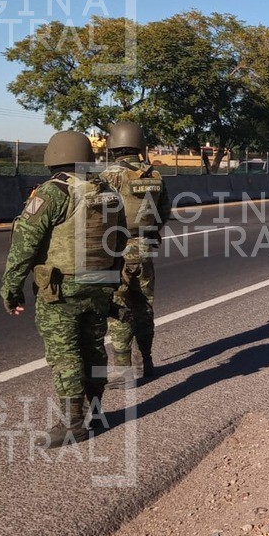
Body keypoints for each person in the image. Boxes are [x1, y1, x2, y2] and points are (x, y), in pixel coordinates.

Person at [0, 131, 124, 448]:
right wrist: (113, 282)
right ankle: (95, 414)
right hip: (100, 284)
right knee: (94, 349)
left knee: (66, 355)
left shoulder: (52, 193)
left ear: (54, 155)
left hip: (62, 289)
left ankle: (73, 425)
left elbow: (24, 245)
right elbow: (119, 242)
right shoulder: (107, 191)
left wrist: (11, 287)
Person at [100, 121, 171, 384]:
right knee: (144, 306)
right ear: (139, 145)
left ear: (114, 145)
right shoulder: (154, 175)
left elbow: (99, 217)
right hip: (145, 247)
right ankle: (147, 361)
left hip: (117, 249)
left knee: (120, 307)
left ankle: (124, 370)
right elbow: (164, 212)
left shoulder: (109, 176)